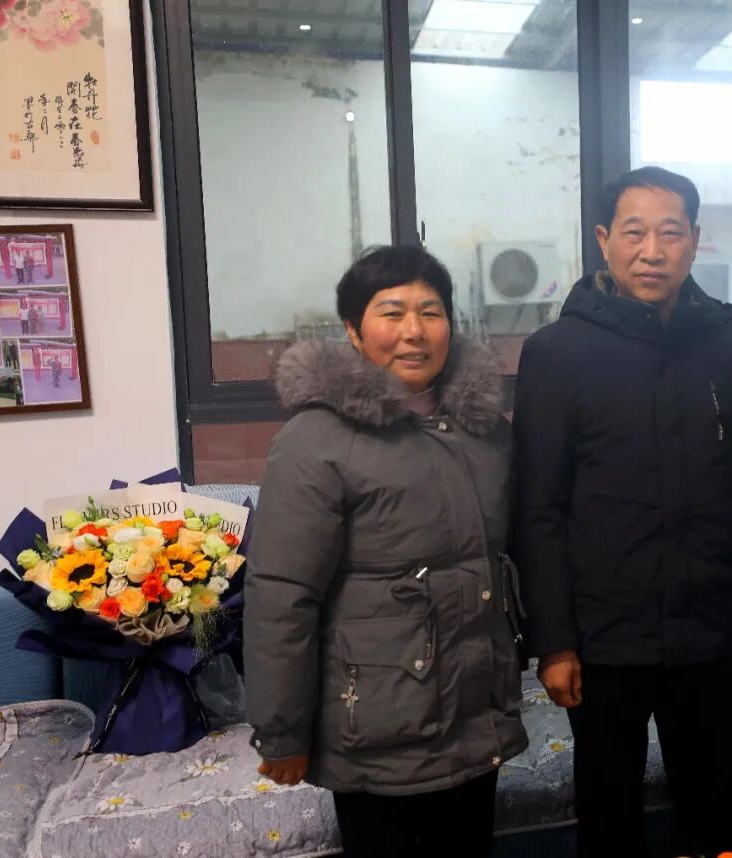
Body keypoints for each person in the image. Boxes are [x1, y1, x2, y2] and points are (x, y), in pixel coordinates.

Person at [512, 166, 732, 858]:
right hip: (605, 635)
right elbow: (538, 509)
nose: (652, 251)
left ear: (695, 240)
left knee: (712, 800)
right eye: (634, 233)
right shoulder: (555, 354)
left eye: (670, 233)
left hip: (709, 624)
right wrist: (554, 641)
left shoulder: (729, 347)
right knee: (608, 809)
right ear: (603, 240)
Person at [244, 244, 527, 858]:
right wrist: (282, 730)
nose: (414, 331)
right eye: (392, 312)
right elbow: (283, 597)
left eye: (431, 312)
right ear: (353, 329)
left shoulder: (486, 433)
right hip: (375, 722)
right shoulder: (315, 441)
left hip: (475, 715)